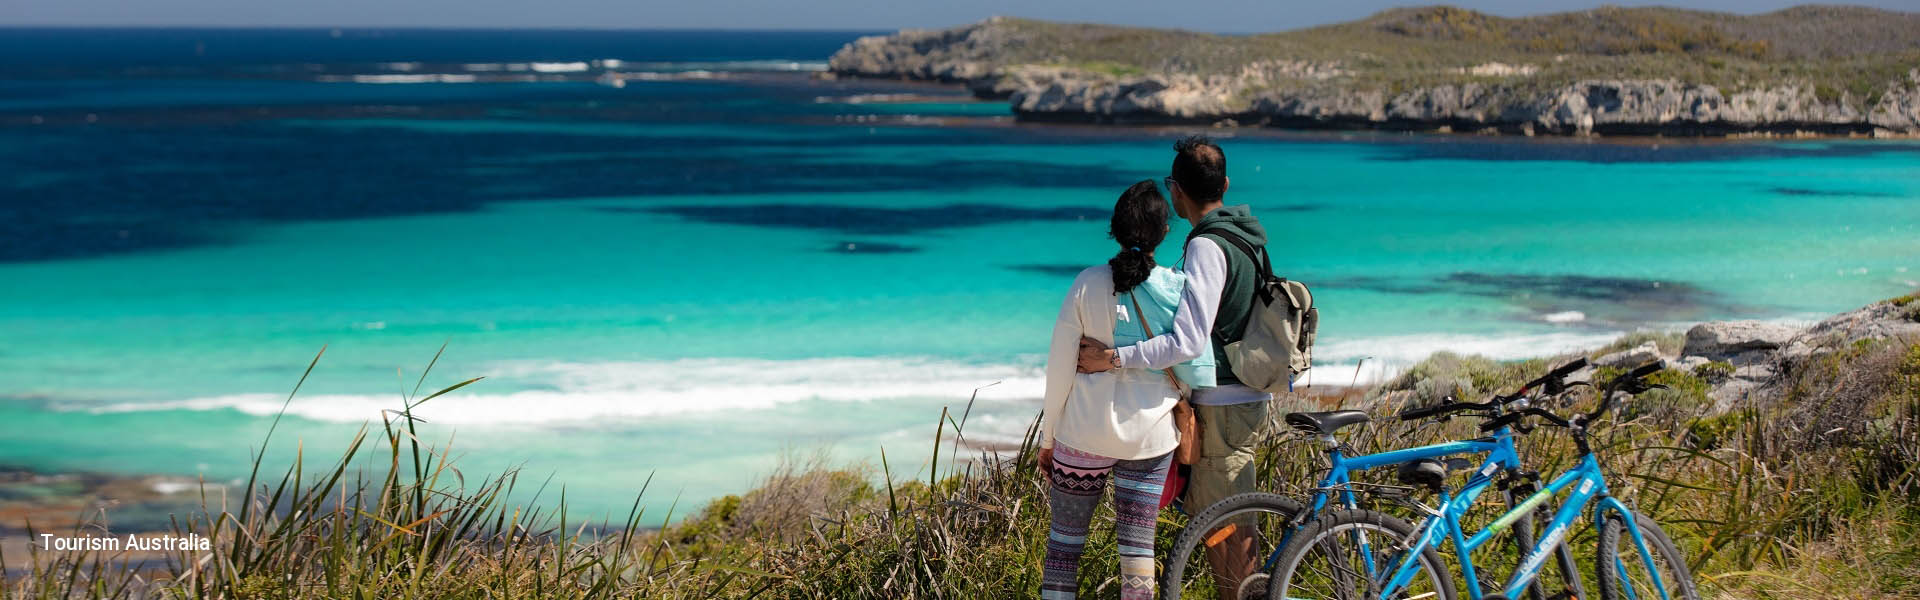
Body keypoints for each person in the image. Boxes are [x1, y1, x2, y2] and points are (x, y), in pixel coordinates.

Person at [1077, 135, 1271, 599]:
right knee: (1222, 524)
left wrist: (1115, 358)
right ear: (1224, 183)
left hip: (1224, 401)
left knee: (1229, 526)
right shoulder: (1247, 235)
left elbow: (1188, 340)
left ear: (1176, 189)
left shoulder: (1207, 246)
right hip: (1242, 396)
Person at [1039, 180, 1214, 600]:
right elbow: (1193, 364)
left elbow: (1060, 367)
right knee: (1138, 556)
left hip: (1082, 434)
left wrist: (1048, 439)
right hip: (1150, 436)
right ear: (1165, 232)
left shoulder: (1086, 283)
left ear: (1114, 231)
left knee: (1064, 549)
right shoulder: (1177, 287)